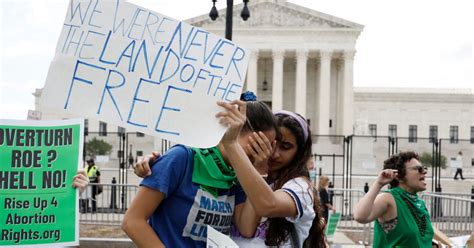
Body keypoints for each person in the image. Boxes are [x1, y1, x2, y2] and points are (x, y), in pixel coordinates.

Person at [121, 97, 278, 247]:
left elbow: (246, 228)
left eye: (268, 148)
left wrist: (259, 169)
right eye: (258, 145)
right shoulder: (181, 158)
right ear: (233, 131)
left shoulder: (237, 176)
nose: (262, 154)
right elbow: (133, 221)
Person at [221, 108, 326, 247]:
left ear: (299, 152)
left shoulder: (300, 186)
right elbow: (246, 228)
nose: (275, 154)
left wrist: (259, 170)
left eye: (285, 147)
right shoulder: (242, 176)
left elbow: (268, 206)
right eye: (270, 144)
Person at [353, 151, 435, 247]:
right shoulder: (389, 199)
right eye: (418, 169)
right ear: (398, 176)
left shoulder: (419, 202)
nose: (424, 172)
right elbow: (359, 216)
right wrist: (378, 184)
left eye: (424, 168)